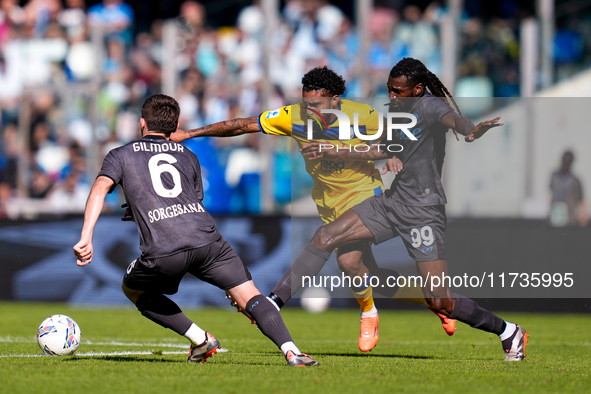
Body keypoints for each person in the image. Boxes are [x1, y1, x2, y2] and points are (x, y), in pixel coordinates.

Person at [171, 66, 456, 353]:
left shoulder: (363, 115)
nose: (311, 111)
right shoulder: (292, 116)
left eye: (317, 105)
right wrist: (192, 133)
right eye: (307, 104)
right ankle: (434, 302)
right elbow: (243, 124)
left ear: (336, 100)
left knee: (347, 261)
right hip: (329, 204)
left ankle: (367, 313)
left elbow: (395, 143)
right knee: (367, 271)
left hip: (365, 196)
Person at [289, 58, 528, 361]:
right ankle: (277, 301)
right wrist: (331, 148)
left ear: (417, 89)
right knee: (326, 236)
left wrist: (470, 130)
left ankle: (508, 331)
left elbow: (453, 119)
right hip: (392, 202)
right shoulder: (400, 110)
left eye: (398, 92)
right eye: (389, 90)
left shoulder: (428, 107)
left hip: (423, 211)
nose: (391, 97)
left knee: (440, 300)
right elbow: (380, 149)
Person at [73, 94, 319, 367]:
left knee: (133, 290)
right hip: (208, 241)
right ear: (174, 126)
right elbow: (189, 200)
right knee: (250, 296)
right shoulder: (189, 156)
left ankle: (200, 339)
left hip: (166, 247)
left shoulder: (120, 154)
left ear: (142, 123)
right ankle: (292, 352)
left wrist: (86, 237)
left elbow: (99, 189)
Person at [549, 150, 588, 227]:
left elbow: (581, 200)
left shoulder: (575, 181)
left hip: (570, 220)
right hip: (554, 218)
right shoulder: (554, 176)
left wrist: (583, 215)